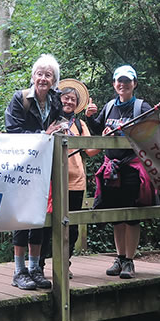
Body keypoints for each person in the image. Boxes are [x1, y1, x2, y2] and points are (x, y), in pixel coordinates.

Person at [85, 65, 156, 279]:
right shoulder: (108, 107)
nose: (122, 84)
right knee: (116, 216)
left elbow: (154, 133)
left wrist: (131, 133)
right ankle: (119, 256)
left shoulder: (143, 107)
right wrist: (89, 117)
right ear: (114, 84)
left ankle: (129, 261)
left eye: (127, 81)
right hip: (111, 168)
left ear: (134, 83)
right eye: (119, 81)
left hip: (133, 167)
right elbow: (99, 132)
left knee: (131, 215)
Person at [4, 54, 63, 290]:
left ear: (54, 80)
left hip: (45, 166)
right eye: (39, 73)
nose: (43, 78)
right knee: (22, 215)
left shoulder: (56, 100)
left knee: (39, 214)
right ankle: (19, 271)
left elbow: (62, 123)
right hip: (23, 165)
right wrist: (42, 135)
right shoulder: (20, 99)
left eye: (48, 75)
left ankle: (35, 268)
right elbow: (13, 130)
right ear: (33, 76)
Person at [56, 82, 100, 277]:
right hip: (54, 179)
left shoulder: (80, 124)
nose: (69, 101)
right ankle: (41, 264)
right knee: (50, 223)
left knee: (72, 225)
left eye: (73, 99)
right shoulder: (51, 119)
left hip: (76, 181)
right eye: (65, 97)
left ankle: (65, 262)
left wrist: (104, 138)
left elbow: (90, 150)